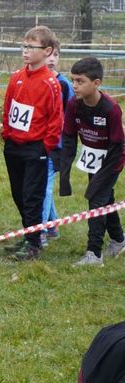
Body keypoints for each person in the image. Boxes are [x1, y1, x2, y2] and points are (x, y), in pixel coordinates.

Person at [1, 25, 64, 260]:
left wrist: (45, 145)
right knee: (18, 193)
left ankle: (35, 242)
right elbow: (8, 107)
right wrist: (7, 133)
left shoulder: (50, 83)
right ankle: (28, 234)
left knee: (32, 195)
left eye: (31, 47)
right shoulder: (17, 77)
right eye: (24, 46)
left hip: (35, 147)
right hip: (13, 145)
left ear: (47, 51)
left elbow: (55, 119)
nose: (25, 51)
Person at [59, 57, 125, 266]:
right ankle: (119, 240)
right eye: (73, 80)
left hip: (113, 159)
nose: (75, 86)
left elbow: (117, 145)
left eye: (80, 81)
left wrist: (104, 175)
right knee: (105, 200)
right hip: (92, 157)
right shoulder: (73, 104)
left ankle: (94, 253)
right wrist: (65, 170)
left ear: (96, 83)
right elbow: (69, 136)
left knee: (96, 200)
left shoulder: (110, 109)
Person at [41, 46, 76, 243]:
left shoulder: (63, 85)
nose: (52, 59)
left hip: (56, 145)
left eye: (56, 55)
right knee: (43, 184)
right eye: (48, 55)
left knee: (44, 186)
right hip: (38, 141)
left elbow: (71, 117)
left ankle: (41, 232)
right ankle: (52, 225)